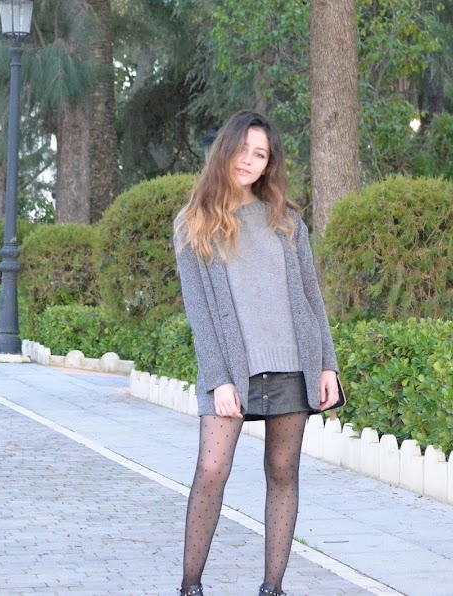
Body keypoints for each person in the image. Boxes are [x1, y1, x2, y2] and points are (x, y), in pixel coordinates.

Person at [173, 110, 340, 596]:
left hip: (292, 366)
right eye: (243, 150)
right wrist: (219, 379)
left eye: (260, 154)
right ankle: (190, 587)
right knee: (211, 471)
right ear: (225, 149)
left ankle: (272, 588)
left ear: (270, 164)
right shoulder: (193, 223)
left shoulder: (287, 221)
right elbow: (200, 315)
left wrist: (326, 366)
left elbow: (311, 299)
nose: (249, 160)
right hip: (233, 372)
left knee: (283, 473)